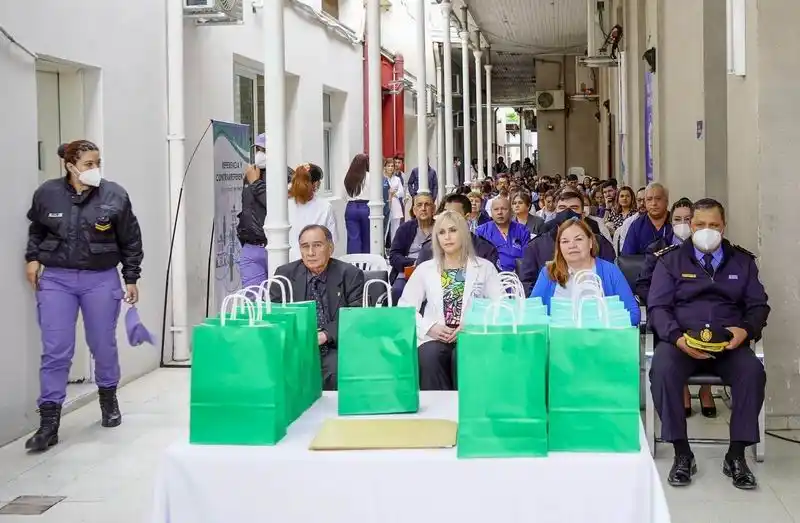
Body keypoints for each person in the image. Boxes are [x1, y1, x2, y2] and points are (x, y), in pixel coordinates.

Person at [24, 140, 144, 452]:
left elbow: (131, 239)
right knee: (56, 349)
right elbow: (36, 230)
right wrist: (32, 258)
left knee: (102, 343)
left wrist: (131, 277)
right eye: (89, 164)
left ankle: (108, 396)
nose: (95, 169)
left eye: (97, 162)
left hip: (100, 279)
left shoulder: (114, 194)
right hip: (57, 280)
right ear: (70, 165)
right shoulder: (47, 193)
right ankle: (48, 422)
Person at [648, 199, 768, 490]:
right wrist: (676, 337)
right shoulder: (669, 260)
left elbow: (758, 306)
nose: (707, 231)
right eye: (700, 225)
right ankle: (682, 453)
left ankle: (736, 455)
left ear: (723, 226)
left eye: (714, 225)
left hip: (728, 344)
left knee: (752, 372)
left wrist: (746, 330)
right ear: (690, 226)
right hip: (682, 342)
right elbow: (658, 307)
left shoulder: (742, 261)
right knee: (661, 370)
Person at [398, 210, 504, 390]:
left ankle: (468, 409)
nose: (447, 237)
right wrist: (429, 328)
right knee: (429, 355)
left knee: (464, 354)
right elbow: (404, 308)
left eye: (453, 230)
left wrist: (472, 323)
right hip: (436, 335)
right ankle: (438, 411)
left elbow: (501, 306)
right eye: (441, 232)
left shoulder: (484, 267)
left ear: (463, 233)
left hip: (472, 334)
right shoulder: (425, 269)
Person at [635, 198, 716, 418]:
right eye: (677, 219)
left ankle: (706, 390)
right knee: (666, 328)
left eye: (687, 219)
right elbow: (643, 284)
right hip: (668, 311)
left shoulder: (712, 249)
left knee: (711, 322)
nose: (683, 224)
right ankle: (683, 392)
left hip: (701, 315)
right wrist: (662, 298)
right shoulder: (658, 249)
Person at [270, 225, 365, 391]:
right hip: (296, 346)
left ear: (330, 247)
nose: (311, 253)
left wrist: (325, 335)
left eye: (317, 245)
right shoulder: (284, 275)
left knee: (337, 370)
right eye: (305, 247)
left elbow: (357, 315)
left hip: (333, 347)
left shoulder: (350, 274)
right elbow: (275, 315)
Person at [530, 219, 639, 326]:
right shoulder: (548, 272)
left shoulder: (610, 271)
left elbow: (633, 314)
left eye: (578, 239)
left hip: (602, 339)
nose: (572, 245)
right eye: (565, 241)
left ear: (590, 242)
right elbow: (533, 313)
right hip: (559, 339)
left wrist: (598, 324)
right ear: (559, 246)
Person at [519, 191, 616, 295]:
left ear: (583, 214)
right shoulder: (536, 246)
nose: (567, 212)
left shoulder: (599, 243)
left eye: (574, 208)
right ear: (555, 212)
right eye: (562, 208)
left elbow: (611, 279)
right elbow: (527, 283)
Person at [416, 193, 499, 267]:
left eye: (453, 214)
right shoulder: (429, 248)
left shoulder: (485, 250)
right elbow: (418, 281)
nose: (447, 218)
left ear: (467, 217)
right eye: (445, 213)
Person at [388, 193, 435, 303]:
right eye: (419, 205)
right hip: (408, 272)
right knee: (397, 291)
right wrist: (414, 263)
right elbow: (394, 256)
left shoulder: (440, 228)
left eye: (427, 205)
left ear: (433, 209)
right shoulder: (405, 228)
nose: (423, 208)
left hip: (433, 272)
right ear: (414, 210)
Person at [237, 134, 269, 287]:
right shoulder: (252, 173)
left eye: (264, 150)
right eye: (257, 149)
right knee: (252, 301)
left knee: (277, 300)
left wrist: (256, 183)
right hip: (251, 246)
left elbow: (273, 205)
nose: (259, 154)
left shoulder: (287, 176)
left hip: (273, 247)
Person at [287, 164, 337, 261]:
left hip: (287, 261)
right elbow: (332, 240)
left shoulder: (283, 205)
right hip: (315, 262)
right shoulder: (325, 207)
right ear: (316, 184)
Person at [475, 196, 530, 272]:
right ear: (491, 212)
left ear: (511, 211)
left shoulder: (523, 230)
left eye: (504, 209)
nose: (500, 212)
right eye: (496, 209)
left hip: (518, 277)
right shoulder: (481, 231)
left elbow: (527, 259)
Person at [622, 182, 671, 255]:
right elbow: (627, 259)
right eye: (649, 199)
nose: (654, 203)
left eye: (658, 198)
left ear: (666, 201)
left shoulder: (675, 222)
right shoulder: (636, 226)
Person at [343, 153, 371, 254]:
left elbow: (343, 195)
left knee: (353, 237)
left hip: (351, 207)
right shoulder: (370, 176)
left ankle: (353, 261)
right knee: (367, 237)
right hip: (366, 206)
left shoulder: (348, 177)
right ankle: (366, 261)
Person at [383, 158, 405, 243]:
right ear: (385, 167)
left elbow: (401, 192)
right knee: (385, 227)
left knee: (395, 228)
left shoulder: (397, 179)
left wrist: (393, 193)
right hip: (385, 204)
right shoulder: (382, 179)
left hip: (395, 204)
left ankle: (394, 247)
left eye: (392, 166)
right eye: (388, 166)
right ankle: (383, 247)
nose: (391, 168)